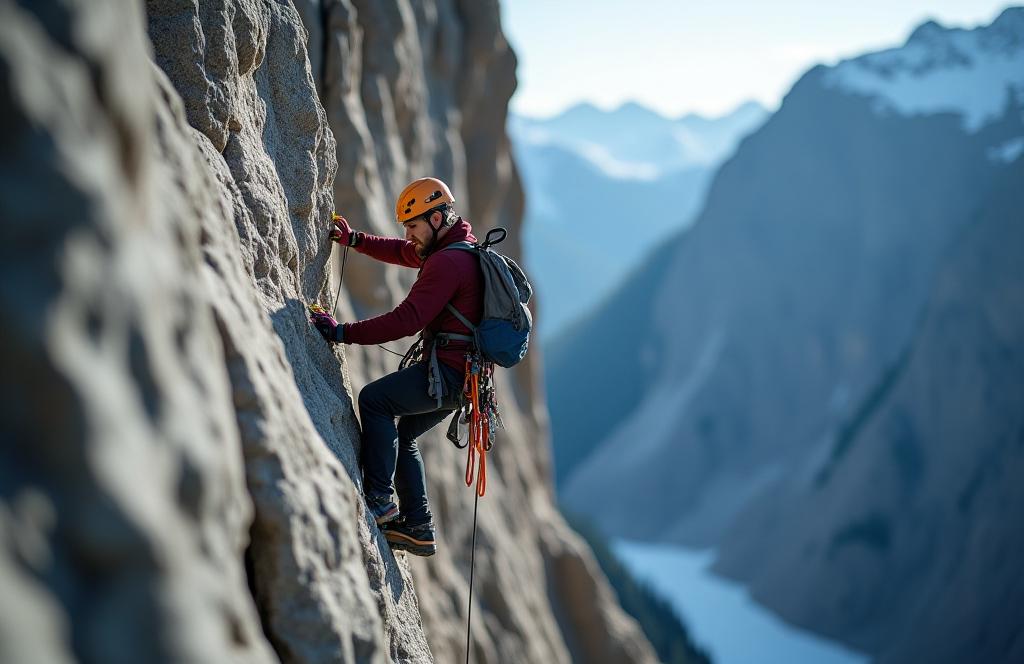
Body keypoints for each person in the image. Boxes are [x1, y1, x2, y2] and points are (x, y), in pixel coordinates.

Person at [309, 177, 483, 557]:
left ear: (437, 219)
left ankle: (380, 501)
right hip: (462, 379)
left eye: (414, 225)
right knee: (404, 435)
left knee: (375, 401)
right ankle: (418, 527)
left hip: (448, 376)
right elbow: (405, 253)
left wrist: (340, 332)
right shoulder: (457, 248)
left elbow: (406, 320)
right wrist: (356, 240)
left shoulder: (449, 262)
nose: (410, 234)